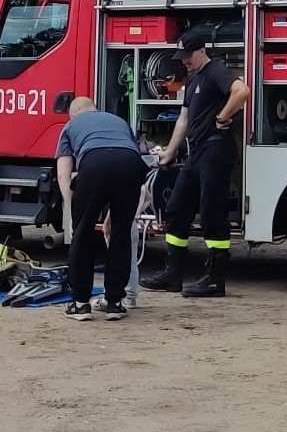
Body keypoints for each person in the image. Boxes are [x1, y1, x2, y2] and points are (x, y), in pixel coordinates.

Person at [139, 34, 248, 298]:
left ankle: (215, 278)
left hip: (216, 149)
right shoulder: (194, 78)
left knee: (211, 212)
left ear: (201, 51)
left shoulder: (215, 70)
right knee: (177, 208)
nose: (184, 61)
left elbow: (241, 91)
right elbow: (183, 120)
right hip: (197, 151)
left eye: (187, 56)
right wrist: (169, 152)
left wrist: (223, 116)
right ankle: (172, 273)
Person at [55, 96, 147, 321]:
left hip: (94, 163)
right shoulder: (118, 121)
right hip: (130, 164)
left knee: (83, 234)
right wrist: (112, 217)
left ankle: (80, 304)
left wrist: (72, 211)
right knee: (121, 232)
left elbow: (63, 172)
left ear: (73, 114)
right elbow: (123, 156)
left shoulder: (70, 126)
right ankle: (115, 303)